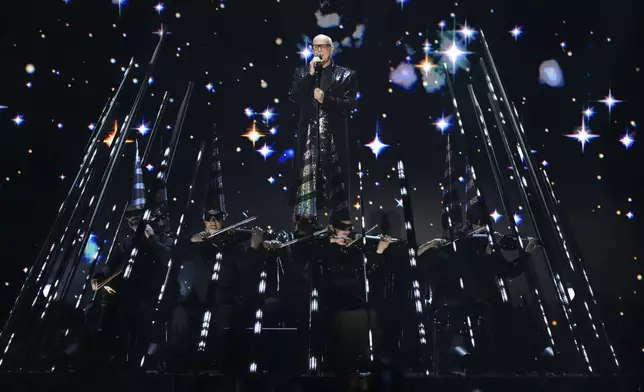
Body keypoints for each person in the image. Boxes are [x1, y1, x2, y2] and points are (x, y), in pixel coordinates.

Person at [288, 34, 358, 232]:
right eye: (315, 47)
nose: (319, 50)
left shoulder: (346, 74)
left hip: (333, 139)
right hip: (309, 140)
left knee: (336, 188)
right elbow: (294, 95)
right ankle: (304, 230)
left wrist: (325, 99)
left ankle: (339, 233)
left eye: (323, 47)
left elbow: (350, 104)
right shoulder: (303, 72)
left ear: (331, 49)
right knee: (307, 185)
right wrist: (310, 75)